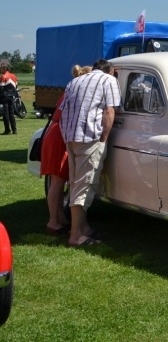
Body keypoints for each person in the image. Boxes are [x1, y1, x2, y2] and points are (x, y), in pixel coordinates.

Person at [60, 59, 121, 247]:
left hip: (71, 137)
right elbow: (110, 111)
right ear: (110, 71)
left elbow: (63, 110)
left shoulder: (75, 81)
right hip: (89, 137)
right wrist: (104, 137)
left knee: (75, 182)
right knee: (85, 185)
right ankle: (75, 235)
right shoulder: (108, 80)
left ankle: (83, 227)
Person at [41, 65, 92, 235]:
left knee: (59, 180)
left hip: (57, 133)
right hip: (60, 136)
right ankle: (53, 221)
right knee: (57, 182)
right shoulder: (76, 91)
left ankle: (59, 218)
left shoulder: (69, 89)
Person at [1, 61, 19, 135]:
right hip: (12, 96)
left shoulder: (3, 76)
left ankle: (7, 130)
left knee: (5, 113)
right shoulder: (14, 76)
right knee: (11, 113)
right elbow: (16, 86)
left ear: (5, 68)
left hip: (5, 96)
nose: (0, 69)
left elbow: (1, 88)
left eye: (1, 68)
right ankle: (14, 130)